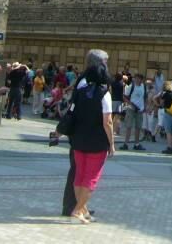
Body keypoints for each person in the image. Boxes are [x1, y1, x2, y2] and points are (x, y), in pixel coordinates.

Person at [65, 49, 115, 224]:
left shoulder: (80, 89)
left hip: (79, 138)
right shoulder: (104, 94)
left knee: (79, 175)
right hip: (97, 141)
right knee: (91, 178)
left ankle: (82, 209)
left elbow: (73, 111)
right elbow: (107, 121)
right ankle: (77, 209)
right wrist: (112, 143)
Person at [122, 73, 146, 151]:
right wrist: (131, 104)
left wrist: (144, 107)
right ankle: (126, 144)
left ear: (141, 80)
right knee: (129, 126)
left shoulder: (143, 86)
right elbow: (124, 96)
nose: (137, 80)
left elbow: (144, 97)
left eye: (139, 78)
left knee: (138, 127)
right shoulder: (131, 86)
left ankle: (136, 144)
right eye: (136, 78)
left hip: (140, 109)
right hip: (131, 109)